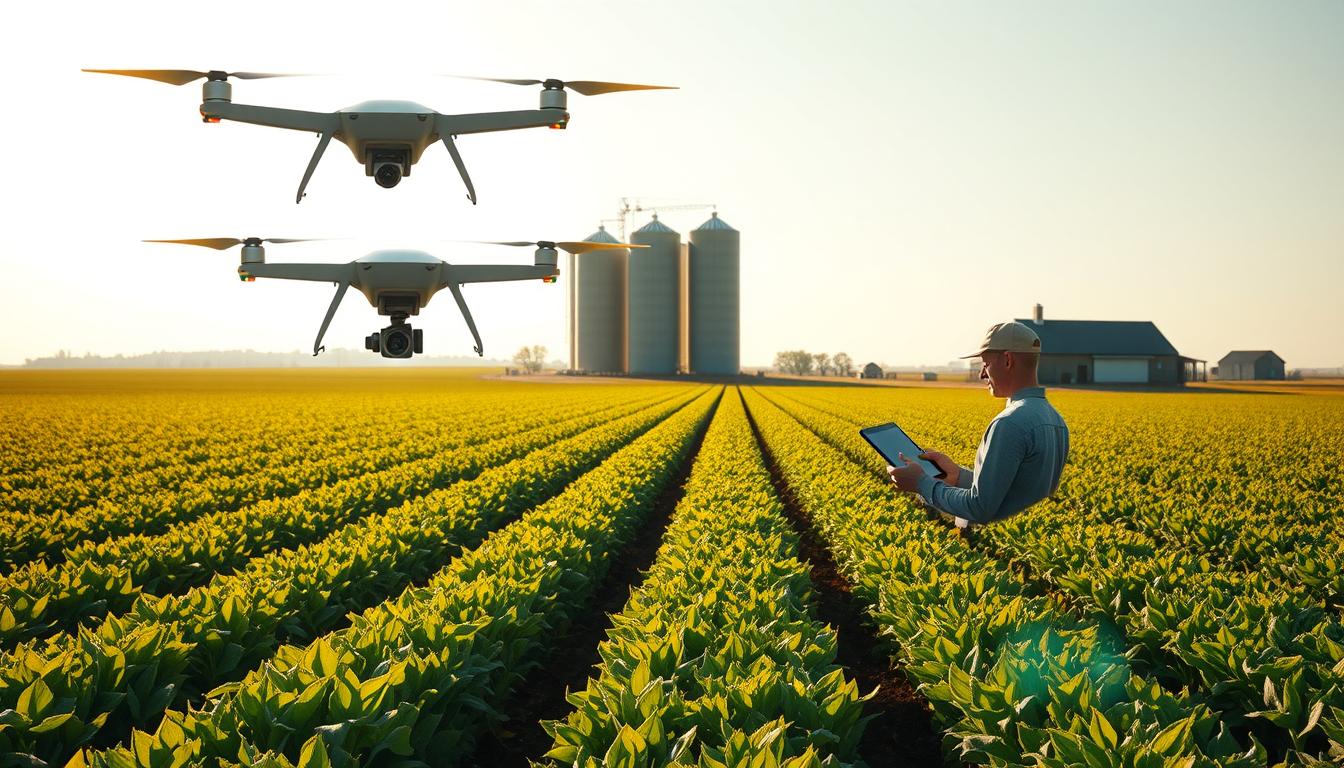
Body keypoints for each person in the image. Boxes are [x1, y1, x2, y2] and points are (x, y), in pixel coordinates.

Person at [886, 321, 1069, 528]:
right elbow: (1016, 493)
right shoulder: (1056, 420)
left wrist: (922, 484)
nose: (982, 374)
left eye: (986, 364)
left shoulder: (1009, 423)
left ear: (1007, 360)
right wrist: (957, 475)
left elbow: (979, 508)